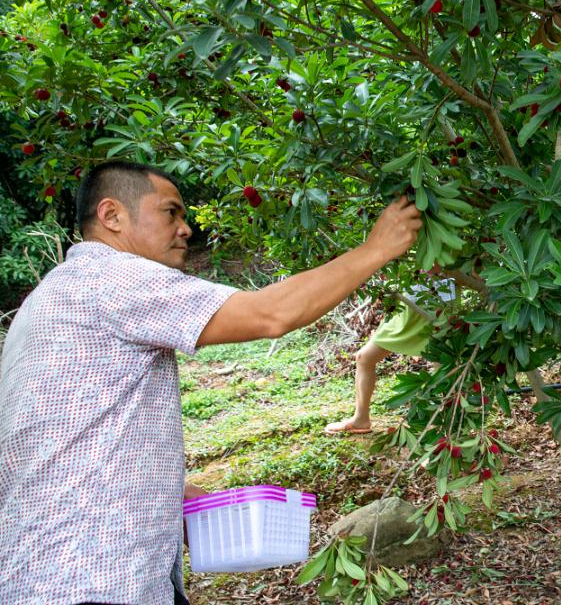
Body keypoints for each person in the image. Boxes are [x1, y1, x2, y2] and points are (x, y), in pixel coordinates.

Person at [0, 161, 421, 605]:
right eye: (170, 213)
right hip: (93, 580)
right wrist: (376, 249)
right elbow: (268, 314)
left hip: (44, 573)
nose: (185, 229)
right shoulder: (110, 276)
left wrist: (170, 493)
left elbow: (58, 430)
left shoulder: (47, 300)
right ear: (112, 216)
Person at [324, 279, 455, 436]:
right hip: (407, 309)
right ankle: (361, 418)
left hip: (438, 310)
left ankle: (447, 433)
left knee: (443, 371)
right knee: (364, 357)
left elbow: (471, 274)